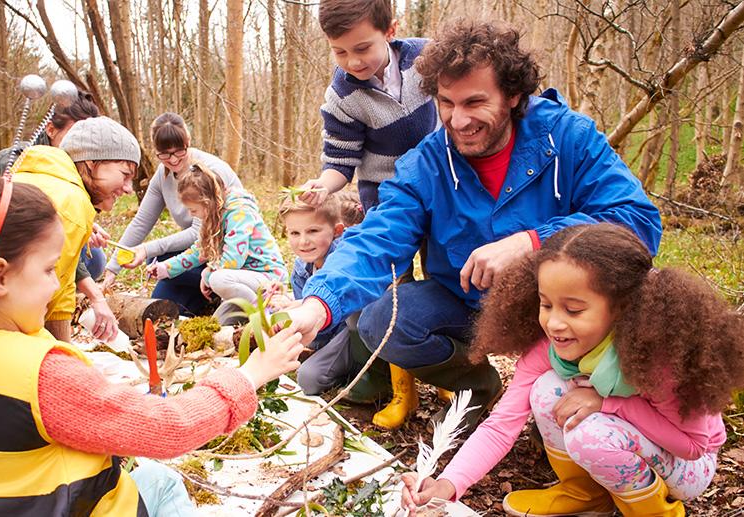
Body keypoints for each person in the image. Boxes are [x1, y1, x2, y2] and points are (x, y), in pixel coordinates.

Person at [285, 19, 663, 431]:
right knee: (382, 321)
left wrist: (534, 241)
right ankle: (477, 386)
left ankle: (573, 397)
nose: (458, 120)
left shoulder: (568, 137)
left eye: (475, 103)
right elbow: (378, 237)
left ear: (513, 95)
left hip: (563, 306)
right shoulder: (427, 162)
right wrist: (317, 304)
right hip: (469, 304)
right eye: (447, 103)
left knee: (567, 414)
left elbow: (637, 222)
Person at [0, 173, 304, 516]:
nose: (57, 284)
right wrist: (251, 373)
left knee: (157, 480)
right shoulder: (42, 375)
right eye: (49, 269)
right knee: (162, 480)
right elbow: (170, 428)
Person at [400, 223, 744, 516]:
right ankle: (586, 494)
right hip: (624, 440)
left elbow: (694, 446)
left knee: (589, 434)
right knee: (546, 390)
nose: (553, 322)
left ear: (621, 309)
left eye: (574, 310)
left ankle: (655, 511)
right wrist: (449, 483)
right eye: (545, 304)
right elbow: (502, 424)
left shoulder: (659, 359)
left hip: (685, 466)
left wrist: (608, 403)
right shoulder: (550, 349)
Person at [0, 91, 117, 341]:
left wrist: (87, 228)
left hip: (44, 260)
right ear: (51, 130)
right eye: (75, 135)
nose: (82, 145)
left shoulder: (78, 173)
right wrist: (95, 296)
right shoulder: (14, 161)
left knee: (95, 257)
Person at [10, 115, 141, 342]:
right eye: (124, 175)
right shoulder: (70, 202)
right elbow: (31, 299)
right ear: (91, 162)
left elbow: (61, 288)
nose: (129, 188)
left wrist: (66, 348)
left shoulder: (60, 186)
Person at [299, 0, 437, 211]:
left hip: (439, 179)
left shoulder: (425, 56)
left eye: (362, 49)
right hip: (386, 196)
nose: (353, 62)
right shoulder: (343, 96)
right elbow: (339, 161)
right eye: (340, 52)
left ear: (390, 31)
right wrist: (323, 185)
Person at [103, 112, 242, 316]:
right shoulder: (162, 174)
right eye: (165, 154)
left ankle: (219, 289)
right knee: (159, 307)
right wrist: (113, 267)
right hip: (197, 255)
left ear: (188, 142)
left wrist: (146, 249)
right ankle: (206, 298)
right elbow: (142, 222)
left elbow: (198, 232)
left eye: (179, 151)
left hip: (228, 256)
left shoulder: (210, 172)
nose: (174, 159)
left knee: (157, 259)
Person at [147, 163, 287, 324]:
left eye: (193, 210)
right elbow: (198, 251)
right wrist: (165, 268)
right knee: (218, 324)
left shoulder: (239, 211)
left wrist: (207, 274)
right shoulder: (212, 218)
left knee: (217, 279)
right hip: (244, 285)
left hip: (267, 278)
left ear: (208, 202)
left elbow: (234, 259)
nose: (192, 215)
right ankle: (252, 312)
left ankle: (265, 313)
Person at [276, 192, 367, 395]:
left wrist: (302, 306)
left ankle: (364, 371)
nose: (303, 242)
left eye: (313, 231)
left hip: (353, 333)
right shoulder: (301, 268)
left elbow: (350, 314)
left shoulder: (346, 261)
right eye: (294, 233)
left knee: (309, 379)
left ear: (337, 231)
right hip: (325, 334)